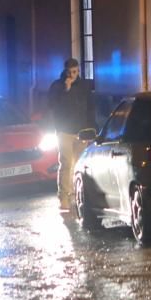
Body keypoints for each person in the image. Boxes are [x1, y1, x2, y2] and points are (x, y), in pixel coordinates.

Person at [48, 58, 96, 211]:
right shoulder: (57, 86)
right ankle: (64, 197)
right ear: (65, 71)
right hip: (64, 131)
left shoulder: (84, 86)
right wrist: (65, 90)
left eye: (74, 71)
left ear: (78, 70)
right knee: (66, 163)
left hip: (81, 131)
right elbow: (52, 105)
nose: (72, 75)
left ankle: (77, 194)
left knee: (78, 164)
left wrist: (91, 129)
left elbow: (90, 108)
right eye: (69, 72)